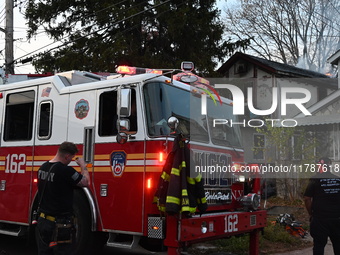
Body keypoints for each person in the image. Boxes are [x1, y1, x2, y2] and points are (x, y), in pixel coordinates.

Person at [36, 141, 90, 255]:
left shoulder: (42, 168)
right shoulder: (65, 170)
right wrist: (83, 165)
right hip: (60, 224)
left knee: (44, 252)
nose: (71, 160)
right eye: (71, 158)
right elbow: (85, 182)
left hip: (43, 221)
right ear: (67, 156)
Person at [303, 157, 340, 255]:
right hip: (337, 218)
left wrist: (311, 213)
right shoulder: (337, 179)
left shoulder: (315, 180)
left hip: (320, 219)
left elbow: (307, 198)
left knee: (319, 246)